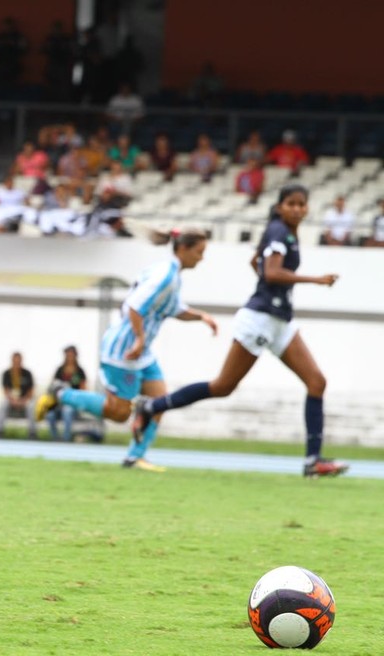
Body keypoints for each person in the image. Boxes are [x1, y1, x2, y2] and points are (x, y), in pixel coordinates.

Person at [132, 185, 349, 478]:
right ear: (280, 206)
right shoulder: (277, 231)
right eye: (291, 203)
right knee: (222, 386)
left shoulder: (284, 232)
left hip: (280, 320)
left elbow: (256, 263)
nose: (297, 209)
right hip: (260, 319)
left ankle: (314, 461)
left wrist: (272, 288)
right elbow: (270, 272)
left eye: (302, 204)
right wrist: (316, 280)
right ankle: (151, 407)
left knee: (316, 382)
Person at [37, 229, 218, 470]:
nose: (202, 258)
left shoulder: (171, 275)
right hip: (123, 351)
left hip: (141, 354)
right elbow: (133, 306)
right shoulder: (165, 276)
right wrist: (140, 339)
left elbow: (174, 309)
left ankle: (134, 457)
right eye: (199, 252)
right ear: (183, 249)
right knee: (119, 413)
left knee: (159, 401)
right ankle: (60, 394)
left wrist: (201, 317)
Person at [44, 345, 87, 442]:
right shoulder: (59, 370)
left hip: (72, 404)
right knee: (50, 414)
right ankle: (55, 438)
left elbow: (83, 390)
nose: (69, 357)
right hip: (59, 403)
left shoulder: (80, 372)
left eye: (71, 355)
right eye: (67, 355)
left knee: (67, 411)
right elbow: (53, 387)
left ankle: (66, 438)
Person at [0, 352, 37, 439]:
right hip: (11, 400)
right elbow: (5, 391)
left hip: (24, 399)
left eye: (18, 361)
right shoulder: (6, 373)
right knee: (2, 404)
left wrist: (23, 400)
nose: (17, 363)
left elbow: (31, 391)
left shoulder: (27, 373)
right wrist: (12, 400)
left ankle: (32, 432)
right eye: (15, 361)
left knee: (31, 406)